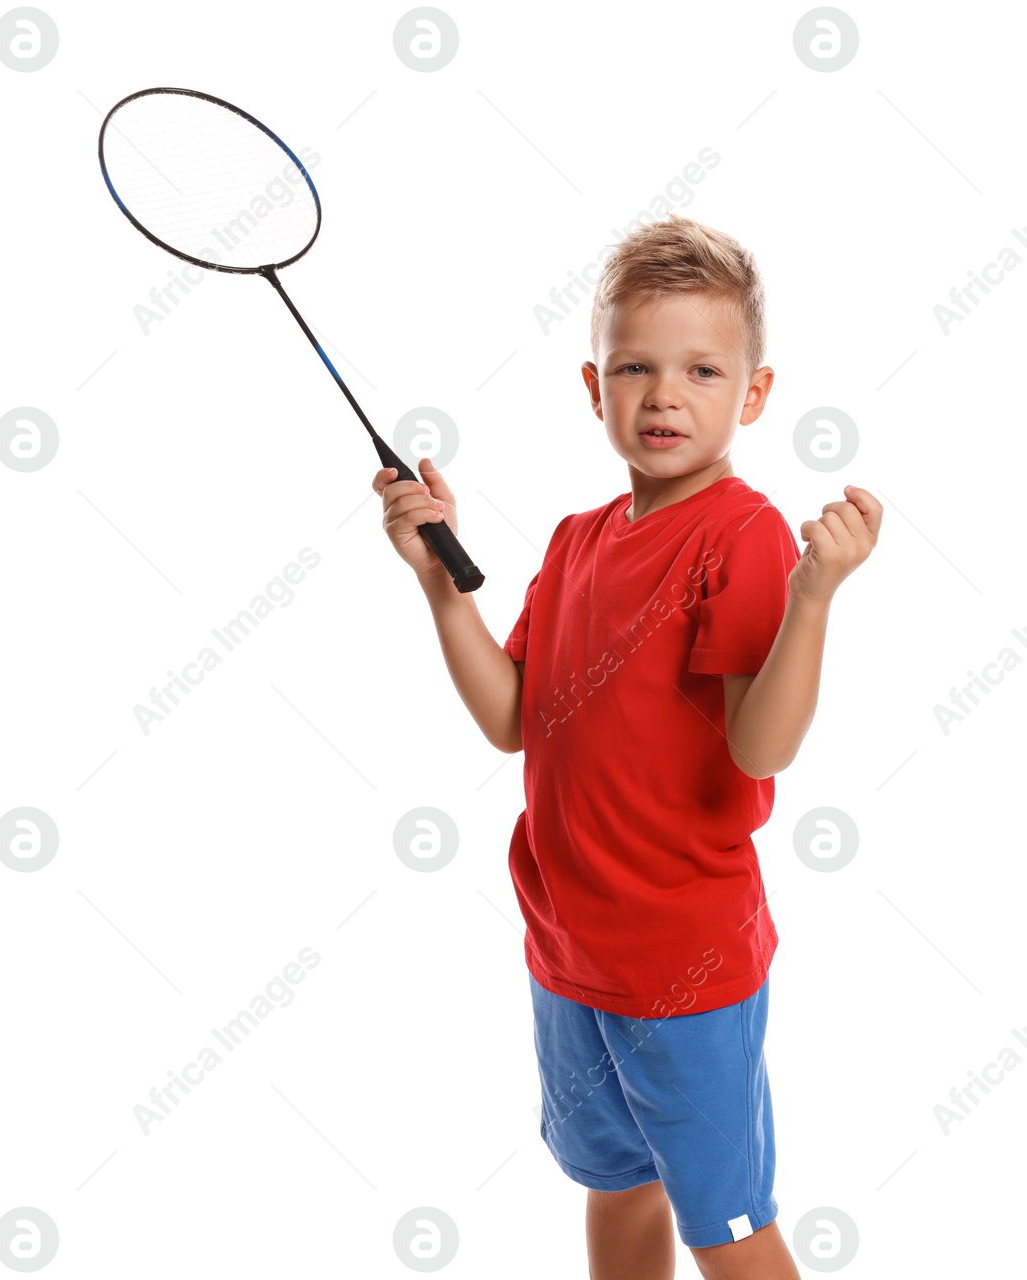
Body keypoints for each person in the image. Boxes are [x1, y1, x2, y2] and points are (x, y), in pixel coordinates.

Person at [373, 212, 880, 1279]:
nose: (664, 394)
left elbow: (759, 747)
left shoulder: (738, 536)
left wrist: (813, 599)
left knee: (728, 1232)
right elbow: (513, 716)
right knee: (616, 1187)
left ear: (753, 394)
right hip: (568, 953)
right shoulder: (574, 539)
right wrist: (436, 583)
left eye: (701, 368)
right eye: (635, 366)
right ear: (594, 387)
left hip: (684, 970)